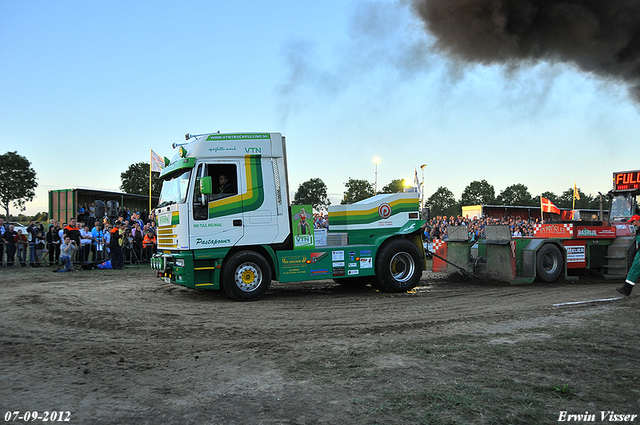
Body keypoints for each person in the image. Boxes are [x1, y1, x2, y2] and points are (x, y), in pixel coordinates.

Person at [617, 214, 640, 296]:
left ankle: (626, 289)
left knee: (634, 269)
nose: (631, 223)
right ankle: (626, 289)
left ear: (637, 221)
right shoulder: (638, 229)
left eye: (633, 221)